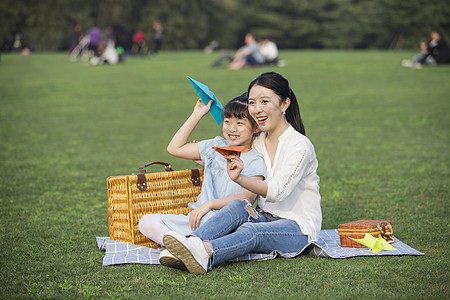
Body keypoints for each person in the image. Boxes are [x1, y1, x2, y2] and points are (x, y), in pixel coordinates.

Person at [161, 72, 322, 274]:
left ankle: (205, 252)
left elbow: (277, 192)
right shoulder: (258, 140)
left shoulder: (300, 146)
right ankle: (190, 244)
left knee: (252, 231)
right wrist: (208, 158)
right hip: (265, 216)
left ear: (284, 104)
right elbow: (233, 143)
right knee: (239, 204)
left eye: (265, 101)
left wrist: (240, 178)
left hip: (298, 229)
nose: (257, 109)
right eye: (253, 102)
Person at [139, 95, 266, 266]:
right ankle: (182, 247)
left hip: (224, 223)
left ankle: (184, 247)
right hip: (196, 219)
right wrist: (197, 114)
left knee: (224, 231)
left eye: (240, 123)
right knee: (146, 221)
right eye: (227, 121)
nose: (232, 128)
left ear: (256, 127)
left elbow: (246, 199)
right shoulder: (215, 147)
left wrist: (209, 204)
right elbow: (174, 148)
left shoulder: (254, 160)